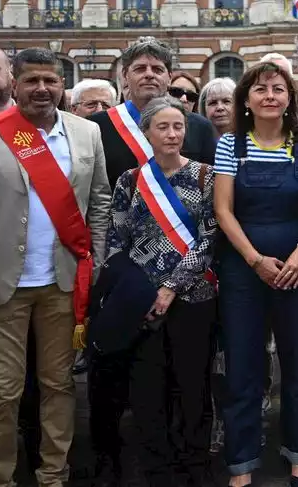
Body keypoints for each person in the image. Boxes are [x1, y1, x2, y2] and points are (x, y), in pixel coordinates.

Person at [0, 47, 112, 487]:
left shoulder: (85, 133)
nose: (42, 89)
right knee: (2, 392)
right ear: (14, 85)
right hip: (3, 285)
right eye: (32, 81)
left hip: (62, 283)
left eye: (51, 81)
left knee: (58, 387)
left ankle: (52, 476)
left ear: (62, 86)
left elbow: (99, 204)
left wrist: (95, 269)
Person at [85, 37, 218, 483]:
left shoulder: (201, 150)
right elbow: (114, 228)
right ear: (124, 76)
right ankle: (138, 462)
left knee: (192, 383)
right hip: (136, 292)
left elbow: (210, 230)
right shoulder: (108, 141)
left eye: (157, 68)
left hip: (190, 291)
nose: (172, 134)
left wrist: (171, 284)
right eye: (138, 68)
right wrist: (139, 286)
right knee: (140, 384)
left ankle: (193, 462)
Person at [214, 61, 298, 487]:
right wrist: (254, 259)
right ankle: (242, 460)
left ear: (289, 98)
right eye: (260, 90)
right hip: (245, 269)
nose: (270, 96)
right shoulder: (231, 145)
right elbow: (223, 210)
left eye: (278, 89)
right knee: (243, 364)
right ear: (247, 100)